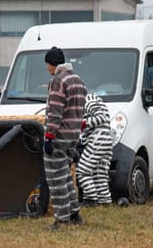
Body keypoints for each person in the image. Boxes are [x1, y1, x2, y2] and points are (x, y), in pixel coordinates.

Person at [43, 46, 87, 229]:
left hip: (59, 136)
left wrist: (49, 136)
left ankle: (62, 219)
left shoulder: (58, 81)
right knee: (66, 176)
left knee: (56, 178)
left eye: (47, 65)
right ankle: (74, 212)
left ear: (53, 64)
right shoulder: (78, 80)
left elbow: (55, 111)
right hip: (74, 136)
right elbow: (81, 111)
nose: (46, 68)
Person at [76, 93, 113, 206]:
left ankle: (90, 198)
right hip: (105, 140)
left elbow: (102, 117)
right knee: (100, 173)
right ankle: (105, 200)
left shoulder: (88, 100)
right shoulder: (91, 100)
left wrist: (83, 123)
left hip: (97, 140)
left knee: (82, 171)